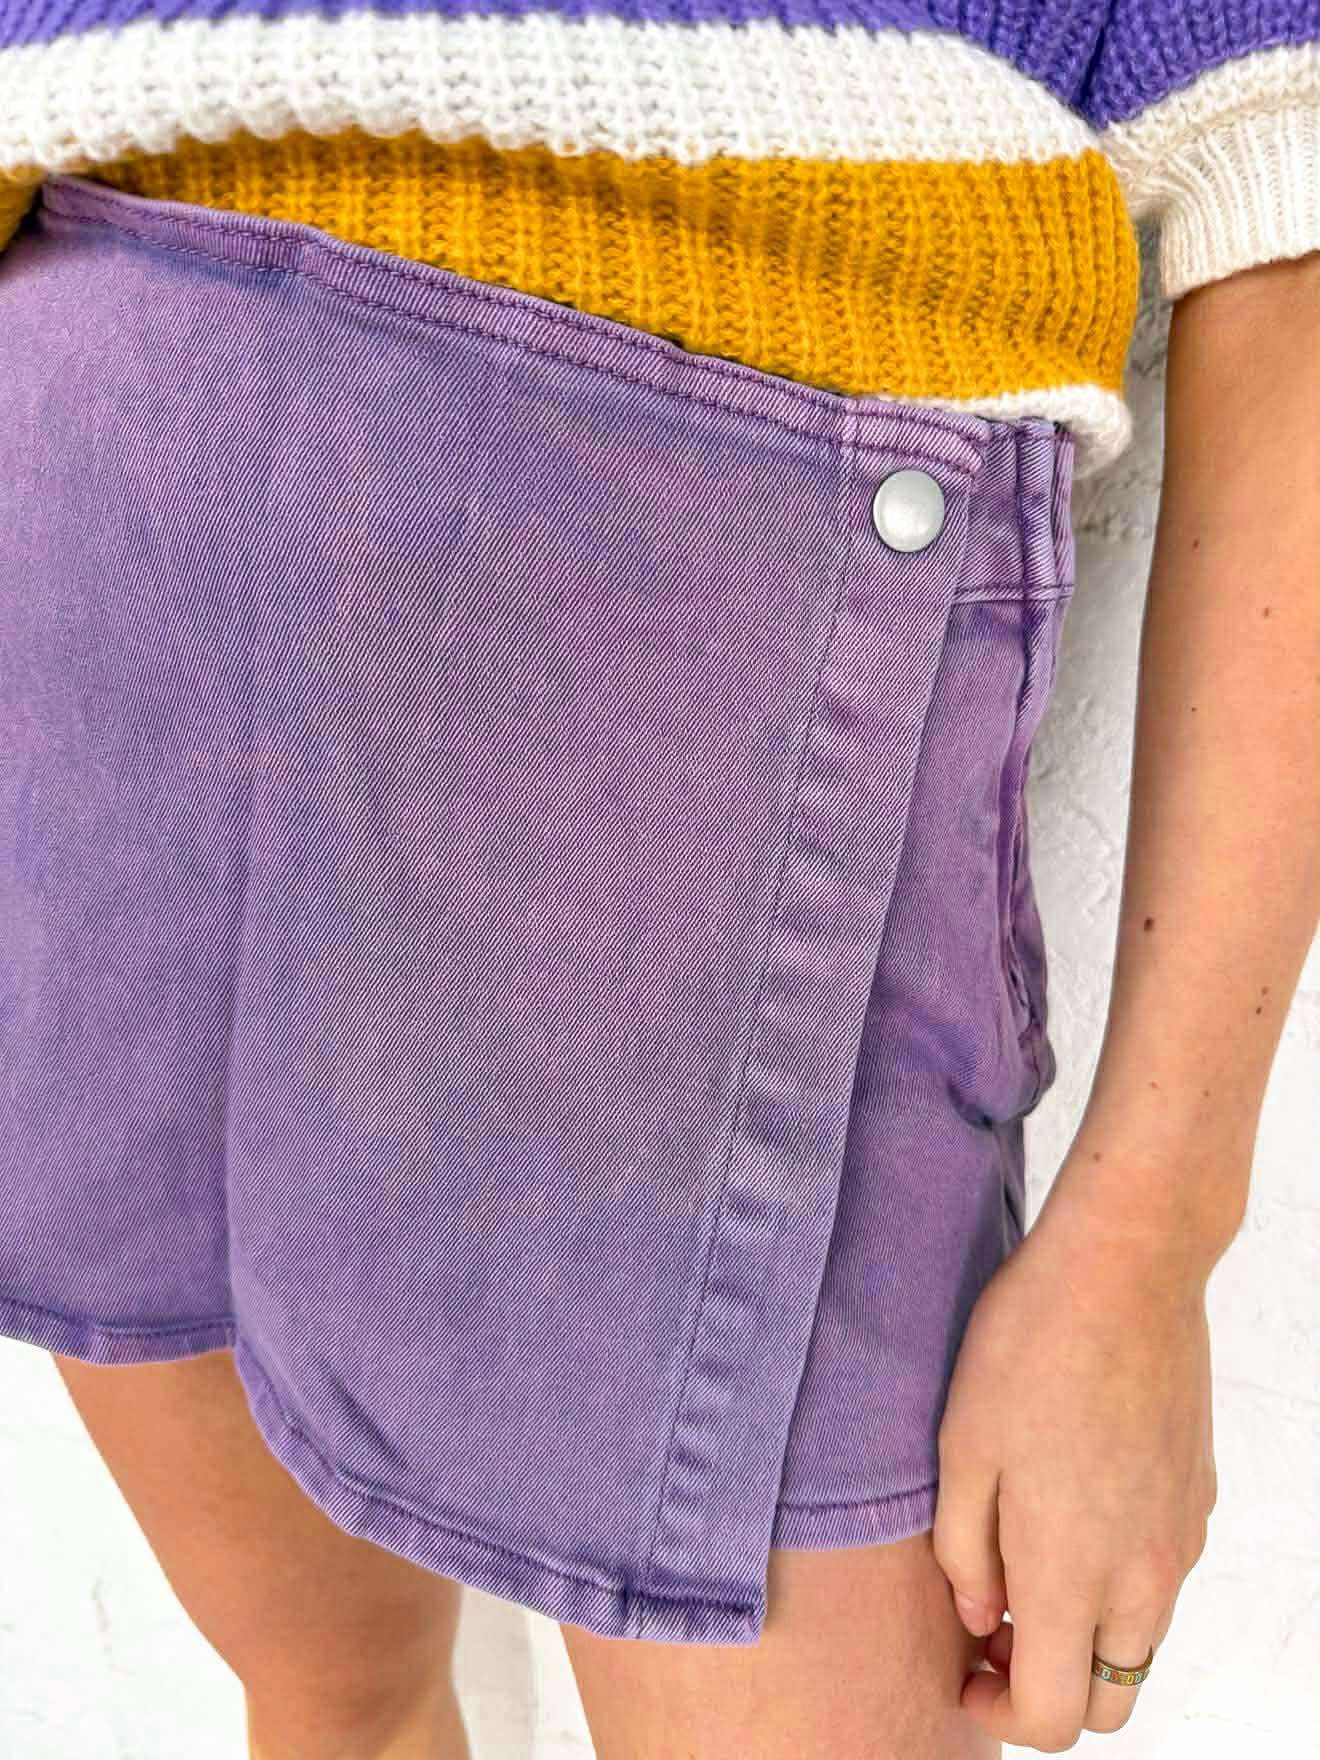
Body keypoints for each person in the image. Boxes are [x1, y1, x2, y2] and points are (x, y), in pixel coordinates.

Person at [1, 3, 1317, 1756]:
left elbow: (1286, 200)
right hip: (99, 465)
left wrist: (1150, 1233)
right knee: (331, 1701)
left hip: (733, 595)